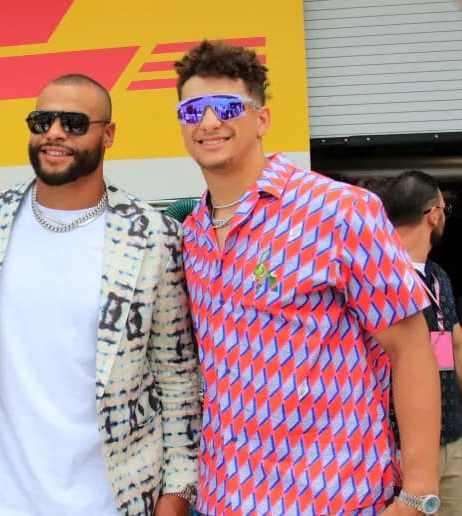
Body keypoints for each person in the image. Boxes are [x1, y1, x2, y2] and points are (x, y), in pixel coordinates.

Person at [174, 40, 441, 515]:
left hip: (335, 498)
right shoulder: (192, 233)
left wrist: (417, 494)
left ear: (262, 120)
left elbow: (410, 346)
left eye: (228, 106)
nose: (209, 122)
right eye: (193, 109)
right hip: (224, 499)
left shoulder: (338, 212)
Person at [0, 73, 201, 516]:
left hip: (113, 500)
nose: (54, 132)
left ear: (108, 134)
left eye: (73, 122)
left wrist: (176, 494)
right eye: (41, 121)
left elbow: (177, 376)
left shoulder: (153, 236)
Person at [376, 171, 462, 515]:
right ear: (435, 215)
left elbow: (451, 345)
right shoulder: (377, 276)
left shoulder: (437, 276)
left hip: (450, 439)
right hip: (396, 447)